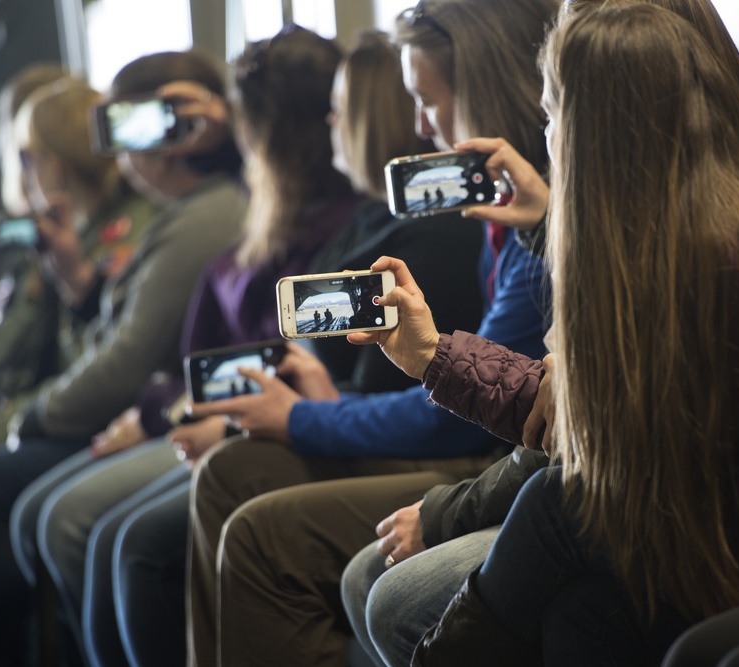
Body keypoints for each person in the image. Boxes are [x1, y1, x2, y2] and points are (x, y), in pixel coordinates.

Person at [342, 5, 739, 666]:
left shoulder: (716, 257)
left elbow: (598, 447)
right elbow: (583, 413)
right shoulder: (695, 223)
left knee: (555, 513)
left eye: (553, 117)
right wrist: (434, 354)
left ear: (598, 134)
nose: (547, 140)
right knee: (580, 591)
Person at [17, 27, 486, 667]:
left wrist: (295, 416)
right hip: (293, 414)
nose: (330, 122)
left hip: (340, 429)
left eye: (341, 109)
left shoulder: (416, 238)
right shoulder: (362, 223)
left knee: (120, 525)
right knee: (65, 517)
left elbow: (419, 407)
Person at [182, 2, 557, 665]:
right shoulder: (502, 219)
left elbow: (462, 421)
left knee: (258, 525)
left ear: (484, 91)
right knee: (227, 477)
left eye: (428, 100)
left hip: (495, 456)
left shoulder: (529, 233)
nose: (418, 126)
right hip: (484, 440)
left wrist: (309, 419)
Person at [0, 48, 248, 666]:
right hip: (149, 407)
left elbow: (125, 363)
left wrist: (19, 422)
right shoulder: (176, 215)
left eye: (133, 126)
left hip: (145, 411)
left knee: (38, 507)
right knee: (41, 511)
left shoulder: (200, 214)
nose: (122, 151)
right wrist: (78, 283)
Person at [0, 72, 157, 450]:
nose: (25, 175)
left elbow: (95, 364)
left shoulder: (117, 237)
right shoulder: (79, 234)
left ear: (54, 168)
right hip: (69, 410)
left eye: (27, 159)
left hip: (101, 419)